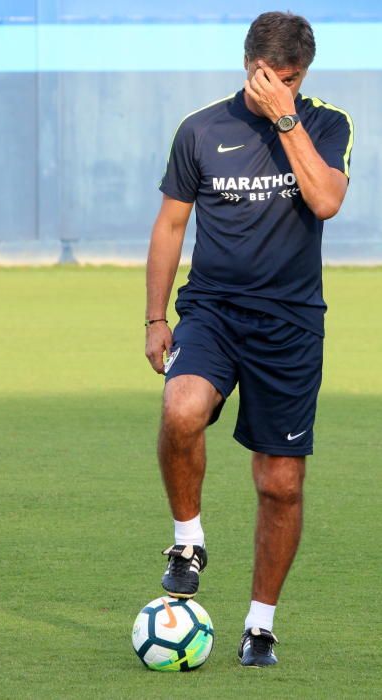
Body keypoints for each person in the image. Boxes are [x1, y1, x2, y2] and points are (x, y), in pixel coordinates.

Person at [145, 11, 353, 667]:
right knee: (181, 410)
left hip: (289, 326)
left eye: (290, 79)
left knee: (279, 485)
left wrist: (286, 118)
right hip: (212, 312)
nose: (278, 88)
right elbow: (170, 226)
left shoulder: (325, 123)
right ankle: (187, 540)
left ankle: (259, 624)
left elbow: (324, 201)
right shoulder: (202, 129)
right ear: (247, 65)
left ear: (303, 74)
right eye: (269, 77)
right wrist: (155, 318)